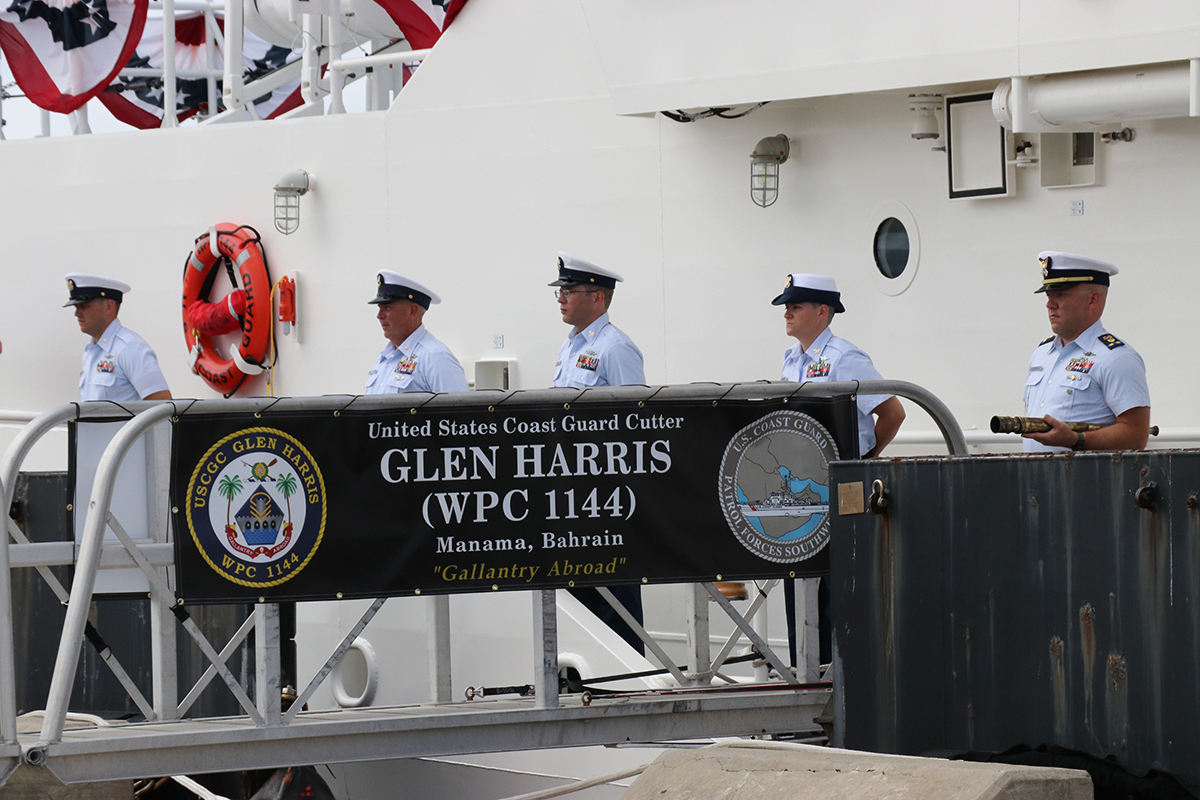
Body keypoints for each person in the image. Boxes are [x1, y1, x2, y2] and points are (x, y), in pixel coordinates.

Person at [550, 252, 646, 653]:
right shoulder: (570, 347)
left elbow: (635, 422)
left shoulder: (616, 348)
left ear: (599, 299)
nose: (561, 298)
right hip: (571, 489)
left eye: (570, 291)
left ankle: (626, 678)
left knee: (614, 594)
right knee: (581, 592)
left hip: (606, 491)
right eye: (561, 291)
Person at [1022, 251, 1150, 452]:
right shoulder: (1042, 354)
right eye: (1049, 295)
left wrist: (1075, 440)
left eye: (1061, 295)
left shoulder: (1117, 358)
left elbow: (1136, 435)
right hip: (1034, 478)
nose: (1050, 304)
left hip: (1086, 481)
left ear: (1093, 300)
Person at [774, 273, 905, 458]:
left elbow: (893, 413)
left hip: (840, 467)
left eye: (796, 307)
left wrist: (865, 457)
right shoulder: (791, 359)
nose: (786, 314)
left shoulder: (844, 357)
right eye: (787, 307)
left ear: (822, 312)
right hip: (805, 466)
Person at [65, 274, 172, 402]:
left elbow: (162, 406)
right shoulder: (91, 351)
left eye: (83, 306)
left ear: (109, 307)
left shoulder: (130, 348)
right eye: (76, 307)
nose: (76, 313)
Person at [365, 271, 468, 394]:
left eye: (387, 307)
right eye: (379, 308)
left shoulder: (435, 357)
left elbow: (458, 410)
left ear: (412, 311)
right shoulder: (384, 359)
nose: (379, 316)